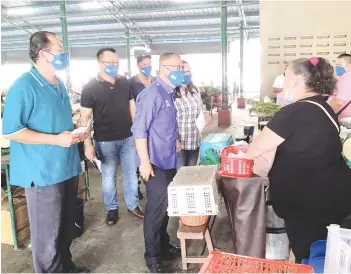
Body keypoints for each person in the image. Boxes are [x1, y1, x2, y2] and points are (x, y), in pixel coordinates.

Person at [246, 57, 351, 262]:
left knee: (309, 251)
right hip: (332, 194)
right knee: (320, 248)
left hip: (309, 201)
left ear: (296, 81)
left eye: (286, 75)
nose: (283, 81)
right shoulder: (323, 107)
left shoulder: (294, 112)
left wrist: (243, 153)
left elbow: (255, 148)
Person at [2, 31, 89, 273]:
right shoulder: (23, 86)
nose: (64, 54)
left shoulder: (58, 83)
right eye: (59, 49)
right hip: (42, 172)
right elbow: (12, 131)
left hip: (66, 165)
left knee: (64, 226)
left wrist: (75, 132)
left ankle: (66, 267)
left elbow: (56, 121)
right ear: (43, 53)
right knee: (46, 233)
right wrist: (55, 139)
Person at [132, 52, 184, 273]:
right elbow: (139, 130)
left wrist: (176, 139)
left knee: (164, 207)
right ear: (165, 68)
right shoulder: (152, 93)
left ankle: (162, 247)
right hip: (153, 163)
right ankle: (152, 256)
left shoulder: (169, 92)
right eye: (178, 67)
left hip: (167, 159)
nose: (182, 72)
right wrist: (144, 162)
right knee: (155, 210)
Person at [80, 48, 144, 226]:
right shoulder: (90, 88)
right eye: (110, 63)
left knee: (131, 173)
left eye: (116, 62)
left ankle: (133, 205)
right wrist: (88, 145)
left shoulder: (124, 82)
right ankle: (112, 208)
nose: (114, 66)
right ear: (100, 63)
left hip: (128, 137)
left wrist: (137, 129)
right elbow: (84, 120)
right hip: (105, 140)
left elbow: (132, 106)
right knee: (109, 175)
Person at [129, 54, 156, 200]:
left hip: (154, 127)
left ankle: (151, 184)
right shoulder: (131, 83)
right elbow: (130, 105)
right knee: (138, 158)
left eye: (149, 64)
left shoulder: (156, 81)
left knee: (151, 156)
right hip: (139, 126)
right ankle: (137, 187)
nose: (147, 67)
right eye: (144, 65)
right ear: (138, 65)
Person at [174, 60, 207, 169]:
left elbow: (201, 108)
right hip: (181, 142)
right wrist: (175, 139)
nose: (187, 74)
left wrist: (205, 115)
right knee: (180, 175)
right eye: (184, 71)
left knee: (192, 172)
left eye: (189, 71)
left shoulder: (194, 89)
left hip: (194, 139)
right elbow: (170, 119)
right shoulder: (173, 93)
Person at [328, 53, 351, 119]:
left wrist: (326, 111)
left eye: (340, 65)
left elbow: (339, 102)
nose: (337, 67)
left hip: (343, 119)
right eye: (336, 65)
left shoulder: (346, 78)